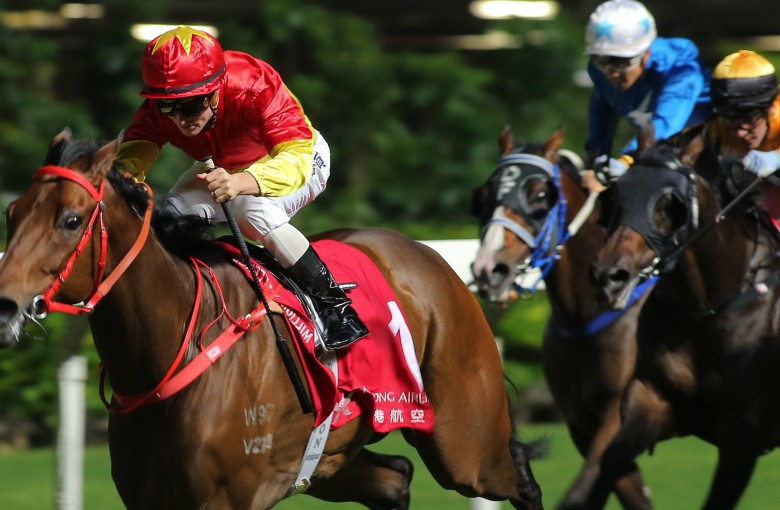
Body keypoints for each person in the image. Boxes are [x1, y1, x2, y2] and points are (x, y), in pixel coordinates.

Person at [114, 26, 368, 351]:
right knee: (171, 216)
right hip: (224, 168)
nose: (180, 119)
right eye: (167, 107)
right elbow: (139, 145)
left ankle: (335, 307)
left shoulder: (254, 83)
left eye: (191, 106)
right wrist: (123, 177)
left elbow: (296, 159)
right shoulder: (165, 105)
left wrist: (240, 183)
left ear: (216, 90)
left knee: (252, 210)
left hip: (297, 159)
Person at [582, 0, 711, 189]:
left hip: (708, 146)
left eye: (621, 62)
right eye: (603, 61)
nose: (612, 73)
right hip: (656, 149)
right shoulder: (598, 72)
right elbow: (601, 114)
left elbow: (665, 125)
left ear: (646, 54)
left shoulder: (682, 67)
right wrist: (594, 162)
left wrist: (625, 159)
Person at [680, 50, 780, 222]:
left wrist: (777, 157)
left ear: (770, 108)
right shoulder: (716, 127)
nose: (740, 132)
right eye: (731, 121)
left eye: (749, 120)